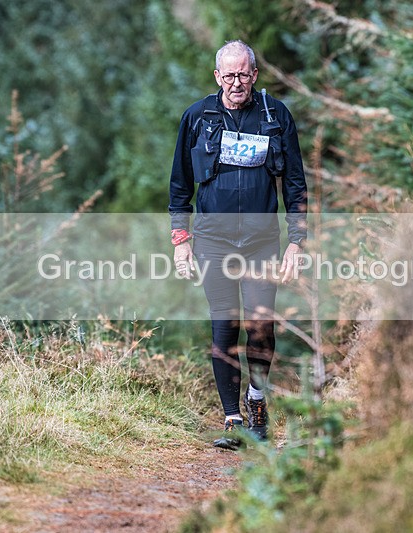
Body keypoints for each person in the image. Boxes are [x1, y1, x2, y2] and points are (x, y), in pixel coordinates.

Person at [168, 40, 307, 449]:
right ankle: (231, 418)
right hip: (213, 240)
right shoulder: (197, 118)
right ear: (217, 77)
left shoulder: (276, 116)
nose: (236, 83)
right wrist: (181, 240)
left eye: (243, 74)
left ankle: (257, 403)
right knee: (224, 325)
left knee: (261, 327)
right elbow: (180, 187)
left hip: (263, 242)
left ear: (254, 75)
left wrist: (297, 242)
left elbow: (295, 183)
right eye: (228, 75)